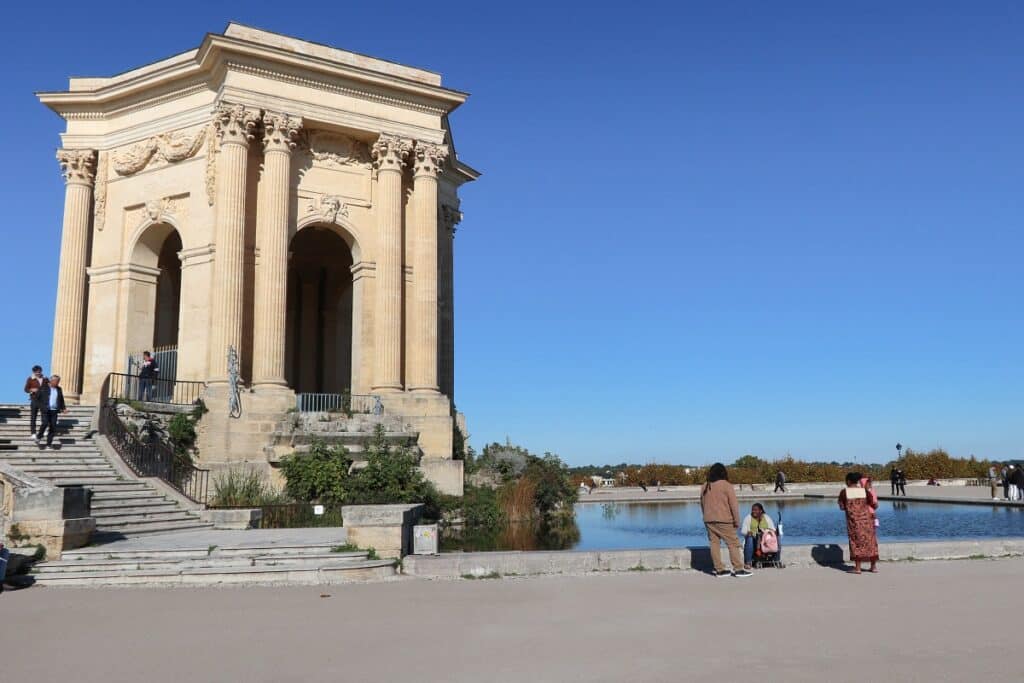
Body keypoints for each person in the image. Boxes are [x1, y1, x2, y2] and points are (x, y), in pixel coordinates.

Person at [700, 463, 750, 578]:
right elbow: (733, 506)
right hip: (724, 519)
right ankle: (738, 569)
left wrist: (705, 516)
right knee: (733, 543)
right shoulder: (726, 485)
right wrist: (737, 521)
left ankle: (719, 570)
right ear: (723, 473)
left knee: (714, 543)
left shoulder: (705, 486)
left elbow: (702, 504)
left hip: (709, 519)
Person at [838, 472, 879, 574]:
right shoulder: (864, 491)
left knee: (856, 542)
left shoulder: (844, 492)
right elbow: (873, 504)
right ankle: (873, 567)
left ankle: (858, 568)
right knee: (871, 541)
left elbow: (842, 507)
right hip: (867, 520)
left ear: (848, 481)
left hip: (854, 522)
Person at [741, 503, 780, 569]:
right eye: (752, 510)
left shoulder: (766, 517)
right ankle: (748, 563)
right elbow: (743, 531)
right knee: (749, 538)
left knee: (777, 537)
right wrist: (748, 532)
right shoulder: (748, 518)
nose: (753, 511)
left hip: (765, 539)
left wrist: (773, 531)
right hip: (753, 539)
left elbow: (773, 529)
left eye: (755, 510)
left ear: (761, 511)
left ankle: (777, 560)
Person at [35, 374, 66, 449]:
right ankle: (39, 437)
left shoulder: (59, 389)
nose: (57, 383)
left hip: (54, 411)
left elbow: (61, 399)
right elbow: (36, 399)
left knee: (53, 427)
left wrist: (63, 408)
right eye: (56, 381)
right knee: (45, 423)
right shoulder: (43, 388)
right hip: (45, 410)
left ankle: (49, 444)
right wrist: (42, 407)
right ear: (51, 381)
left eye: (58, 381)